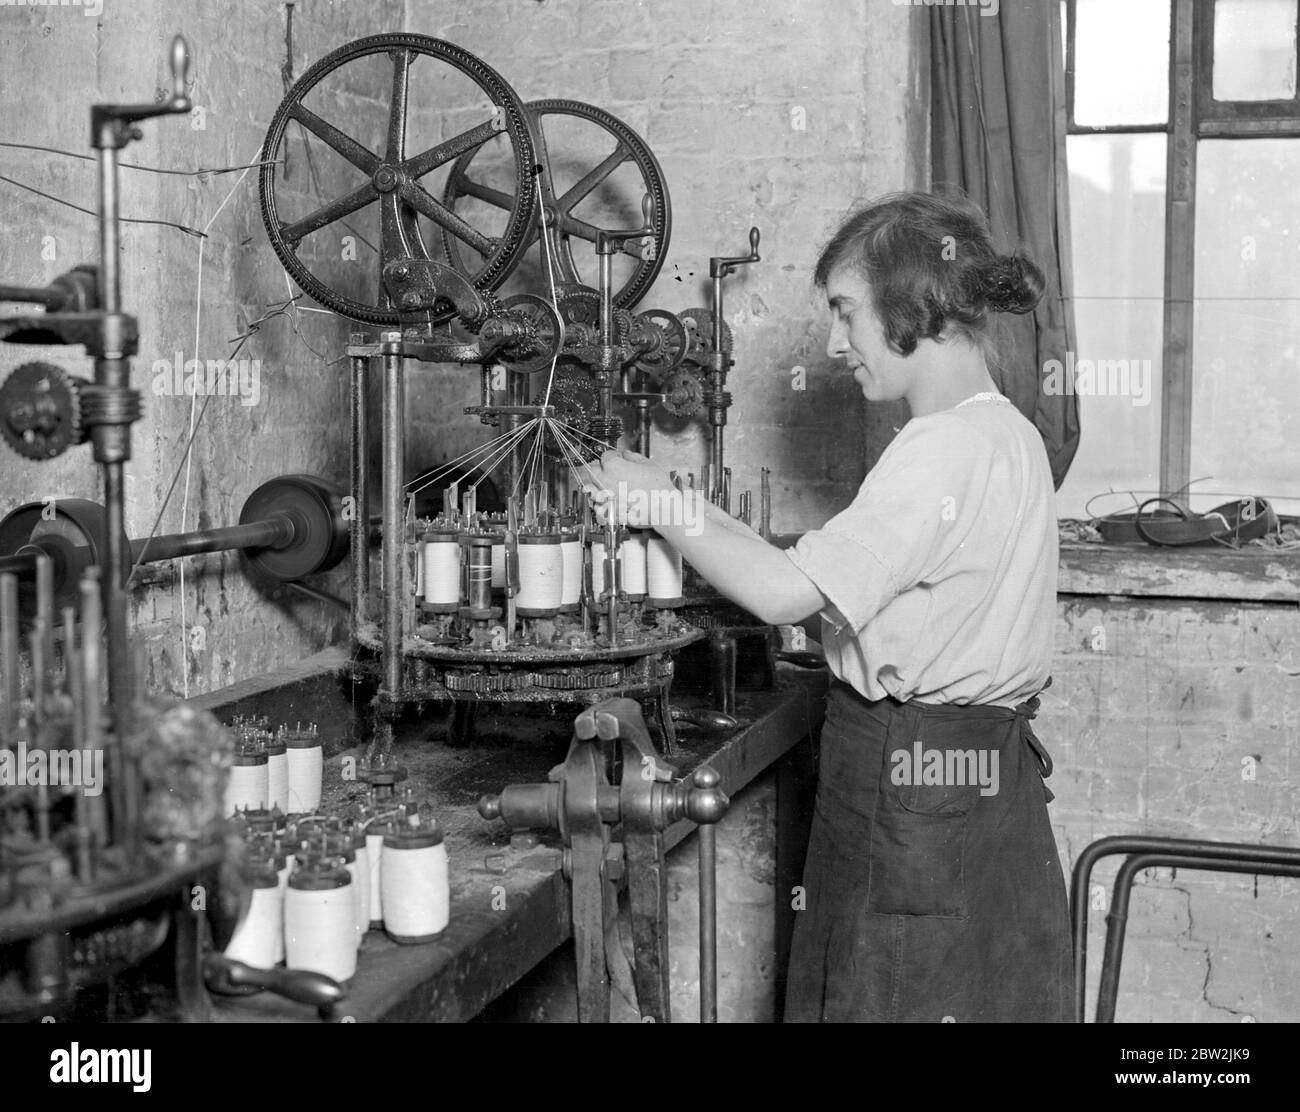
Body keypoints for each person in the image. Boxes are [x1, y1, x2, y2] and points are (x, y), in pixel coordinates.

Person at [588, 190, 1073, 1023]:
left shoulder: (940, 449)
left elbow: (782, 593)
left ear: (914, 303)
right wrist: (673, 498)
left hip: (910, 774)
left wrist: (656, 506)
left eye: (847, 312)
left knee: (881, 992)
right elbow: (816, 568)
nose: (833, 342)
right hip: (980, 775)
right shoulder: (1008, 433)